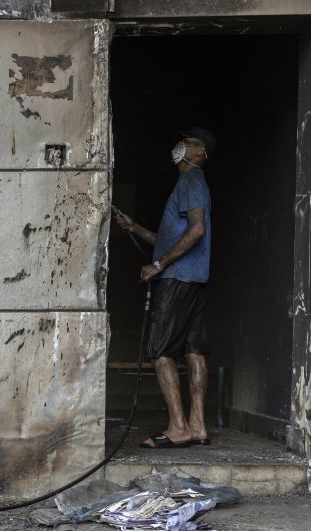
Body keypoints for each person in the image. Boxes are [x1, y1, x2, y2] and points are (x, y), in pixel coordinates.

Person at [112, 126, 216, 449]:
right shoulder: (192, 184)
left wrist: (159, 265)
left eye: (188, 142)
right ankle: (197, 426)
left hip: (177, 279)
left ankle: (177, 427)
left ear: (200, 153)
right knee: (193, 349)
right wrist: (135, 227)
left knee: (159, 351)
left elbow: (196, 230)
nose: (181, 145)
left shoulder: (190, 180)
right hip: (195, 279)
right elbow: (170, 240)